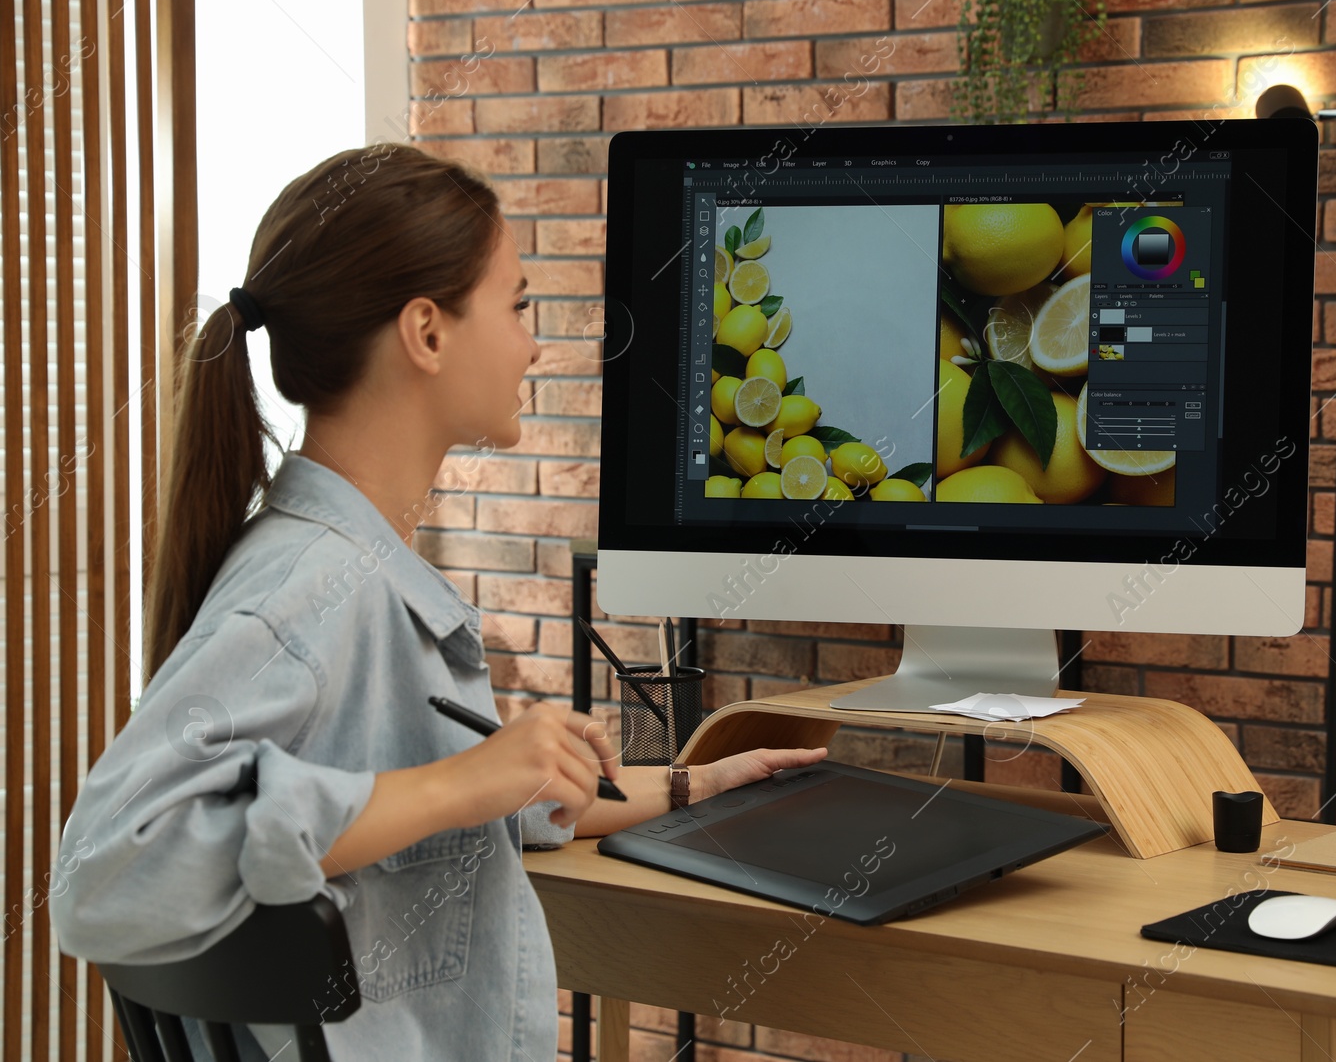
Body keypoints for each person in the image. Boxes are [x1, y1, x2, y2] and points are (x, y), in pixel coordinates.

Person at [49, 143, 829, 1062]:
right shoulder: (307, 589)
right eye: (518, 305)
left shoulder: (364, 578)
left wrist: (699, 786)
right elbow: (103, 870)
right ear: (426, 332)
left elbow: (427, 819)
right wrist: (463, 779)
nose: (535, 343)